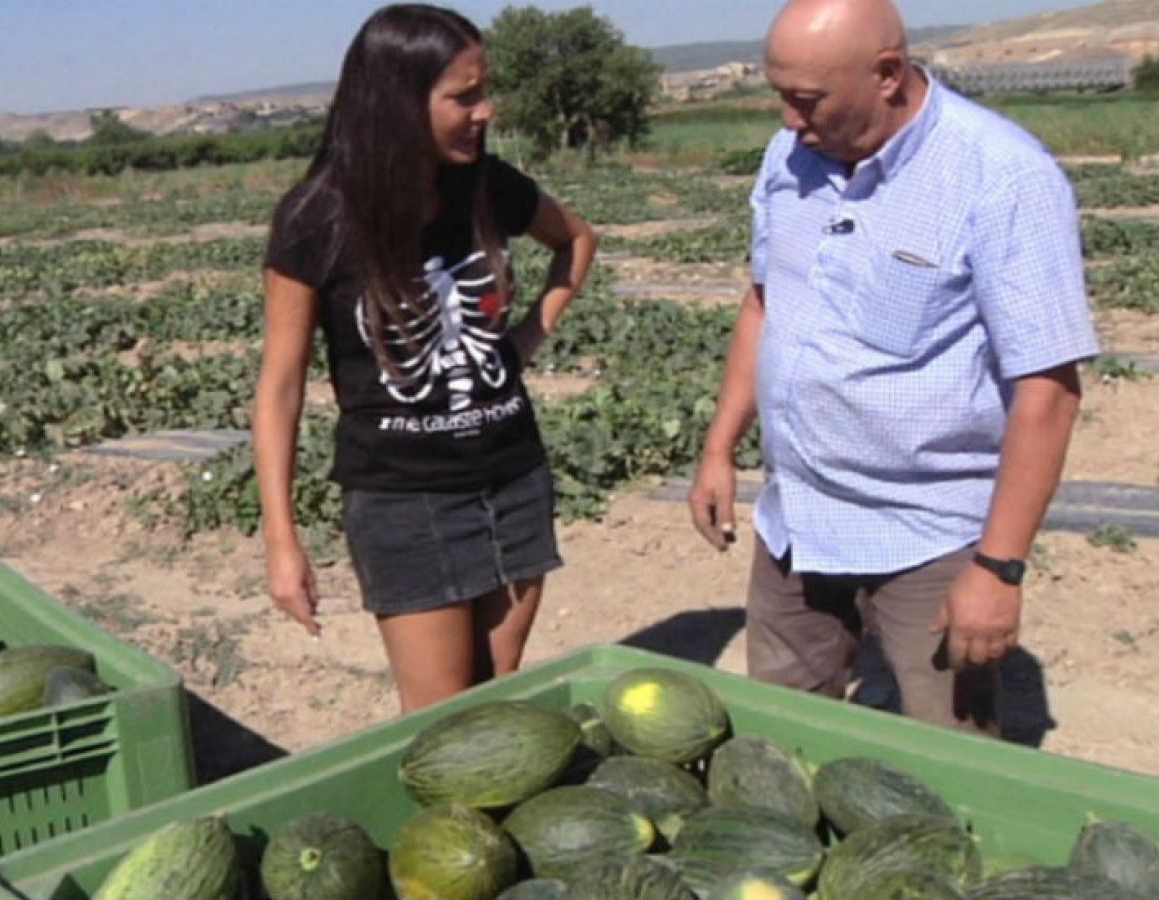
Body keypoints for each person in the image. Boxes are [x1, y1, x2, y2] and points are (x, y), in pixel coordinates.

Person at [688, 0, 1099, 734]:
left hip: (927, 535)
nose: (788, 119)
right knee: (780, 743)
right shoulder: (790, 156)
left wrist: (998, 568)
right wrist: (720, 447)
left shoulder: (1002, 176)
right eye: (780, 95)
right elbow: (763, 304)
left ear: (886, 74)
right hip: (798, 521)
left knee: (949, 760)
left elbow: (1049, 390)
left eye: (806, 99)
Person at [253, 4, 597, 712]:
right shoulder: (318, 218)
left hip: (514, 476)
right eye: (464, 96)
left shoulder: (485, 183)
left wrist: (529, 335)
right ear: (400, 102)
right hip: (405, 500)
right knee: (441, 719)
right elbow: (280, 388)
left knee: (501, 703)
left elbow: (577, 239)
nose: (485, 110)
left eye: (484, 90)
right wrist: (281, 541)